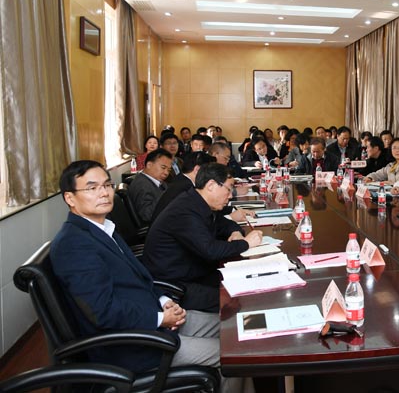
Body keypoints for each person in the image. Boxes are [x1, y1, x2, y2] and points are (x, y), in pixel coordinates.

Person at [50, 161, 250, 392]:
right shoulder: (74, 245)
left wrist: (164, 301)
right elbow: (102, 312)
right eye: (92, 188)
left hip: (154, 318)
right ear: (70, 198)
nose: (103, 193)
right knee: (236, 354)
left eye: (106, 185)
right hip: (134, 344)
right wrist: (159, 318)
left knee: (238, 327)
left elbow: (141, 278)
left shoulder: (103, 229)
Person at [142, 163, 263, 313]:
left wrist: (236, 233)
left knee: (247, 281)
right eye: (228, 189)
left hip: (197, 271)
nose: (230, 195)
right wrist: (246, 243)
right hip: (176, 285)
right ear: (211, 185)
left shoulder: (198, 201)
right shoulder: (185, 210)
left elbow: (225, 224)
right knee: (239, 299)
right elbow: (210, 250)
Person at [152, 151, 216, 221]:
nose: (212, 177)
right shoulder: (186, 188)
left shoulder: (181, 180)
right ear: (197, 169)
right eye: (209, 172)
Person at [127, 148, 172, 223]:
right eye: (163, 168)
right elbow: (146, 215)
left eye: (169, 170)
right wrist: (166, 195)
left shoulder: (156, 181)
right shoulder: (142, 185)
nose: (166, 173)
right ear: (149, 165)